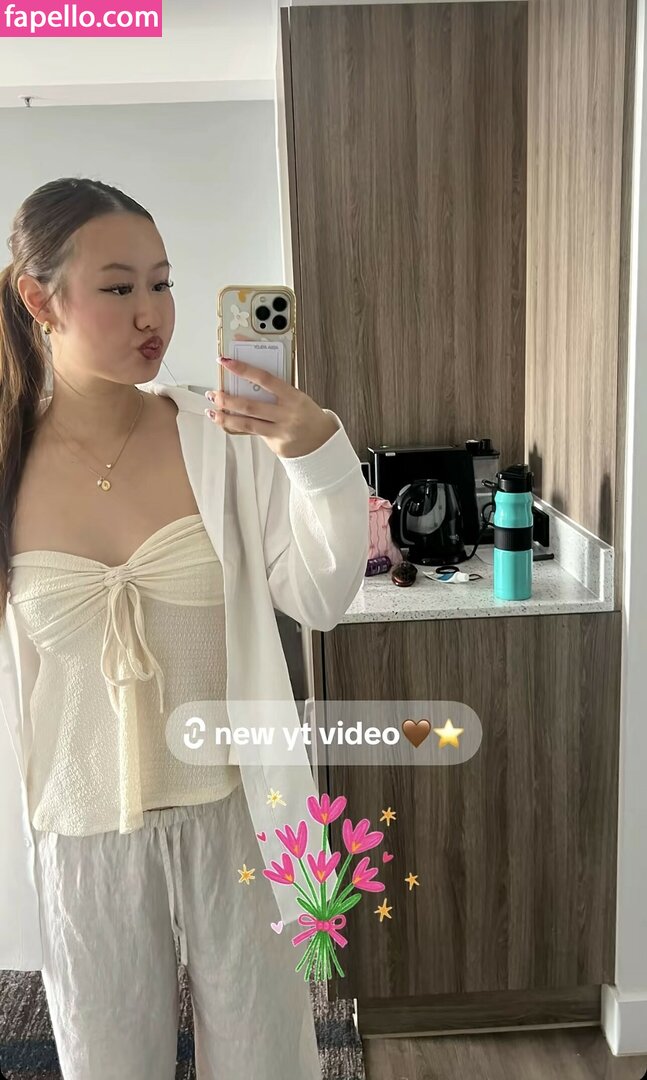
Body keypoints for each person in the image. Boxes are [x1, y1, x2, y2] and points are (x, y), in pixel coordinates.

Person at [0, 177, 369, 1079]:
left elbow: (320, 597)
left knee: (266, 1056)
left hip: (235, 817)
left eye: (162, 283)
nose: (151, 313)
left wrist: (315, 451)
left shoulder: (221, 439)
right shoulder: (7, 461)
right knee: (107, 1062)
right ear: (39, 299)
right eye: (118, 286)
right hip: (81, 833)